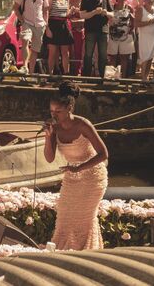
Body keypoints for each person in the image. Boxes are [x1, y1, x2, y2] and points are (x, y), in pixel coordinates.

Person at [44, 81, 108, 250]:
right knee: (64, 217)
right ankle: (66, 252)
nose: (54, 115)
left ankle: (86, 254)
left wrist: (79, 168)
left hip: (93, 176)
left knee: (83, 220)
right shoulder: (55, 128)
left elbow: (104, 154)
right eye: (52, 111)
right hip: (72, 176)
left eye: (58, 111)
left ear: (69, 108)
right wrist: (47, 137)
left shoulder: (83, 124)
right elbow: (49, 158)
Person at [13, 0, 49, 76]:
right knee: (25, 40)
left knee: (35, 50)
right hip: (27, 22)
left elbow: (45, 10)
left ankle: (31, 73)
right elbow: (15, 7)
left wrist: (45, 23)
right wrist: (22, 20)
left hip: (40, 24)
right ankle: (25, 66)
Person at [80, 0, 113, 78]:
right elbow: (82, 15)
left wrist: (106, 13)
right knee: (88, 55)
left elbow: (112, 13)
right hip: (90, 30)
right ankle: (86, 77)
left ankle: (102, 78)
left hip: (104, 30)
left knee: (103, 55)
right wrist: (94, 12)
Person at [46, 0, 74, 75]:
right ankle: (50, 74)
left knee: (65, 52)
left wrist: (72, 10)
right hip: (53, 25)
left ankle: (66, 74)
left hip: (63, 26)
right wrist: (47, 28)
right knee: (52, 53)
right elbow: (46, 14)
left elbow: (66, 14)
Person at [107, 0, 134, 78]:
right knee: (113, 57)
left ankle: (123, 77)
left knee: (124, 58)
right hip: (113, 36)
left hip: (126, 37)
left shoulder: (129, 8)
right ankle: (112, 77)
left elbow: (133, 20)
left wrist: (131, 29)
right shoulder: (111, 7)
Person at [135, 0, 154, 81]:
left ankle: (146, 78)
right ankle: (143, 79)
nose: (151, 0)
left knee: (150, 58)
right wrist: (149, 22)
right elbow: (136, 24)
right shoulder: (140, 9)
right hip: (145, 37)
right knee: (145, 58)